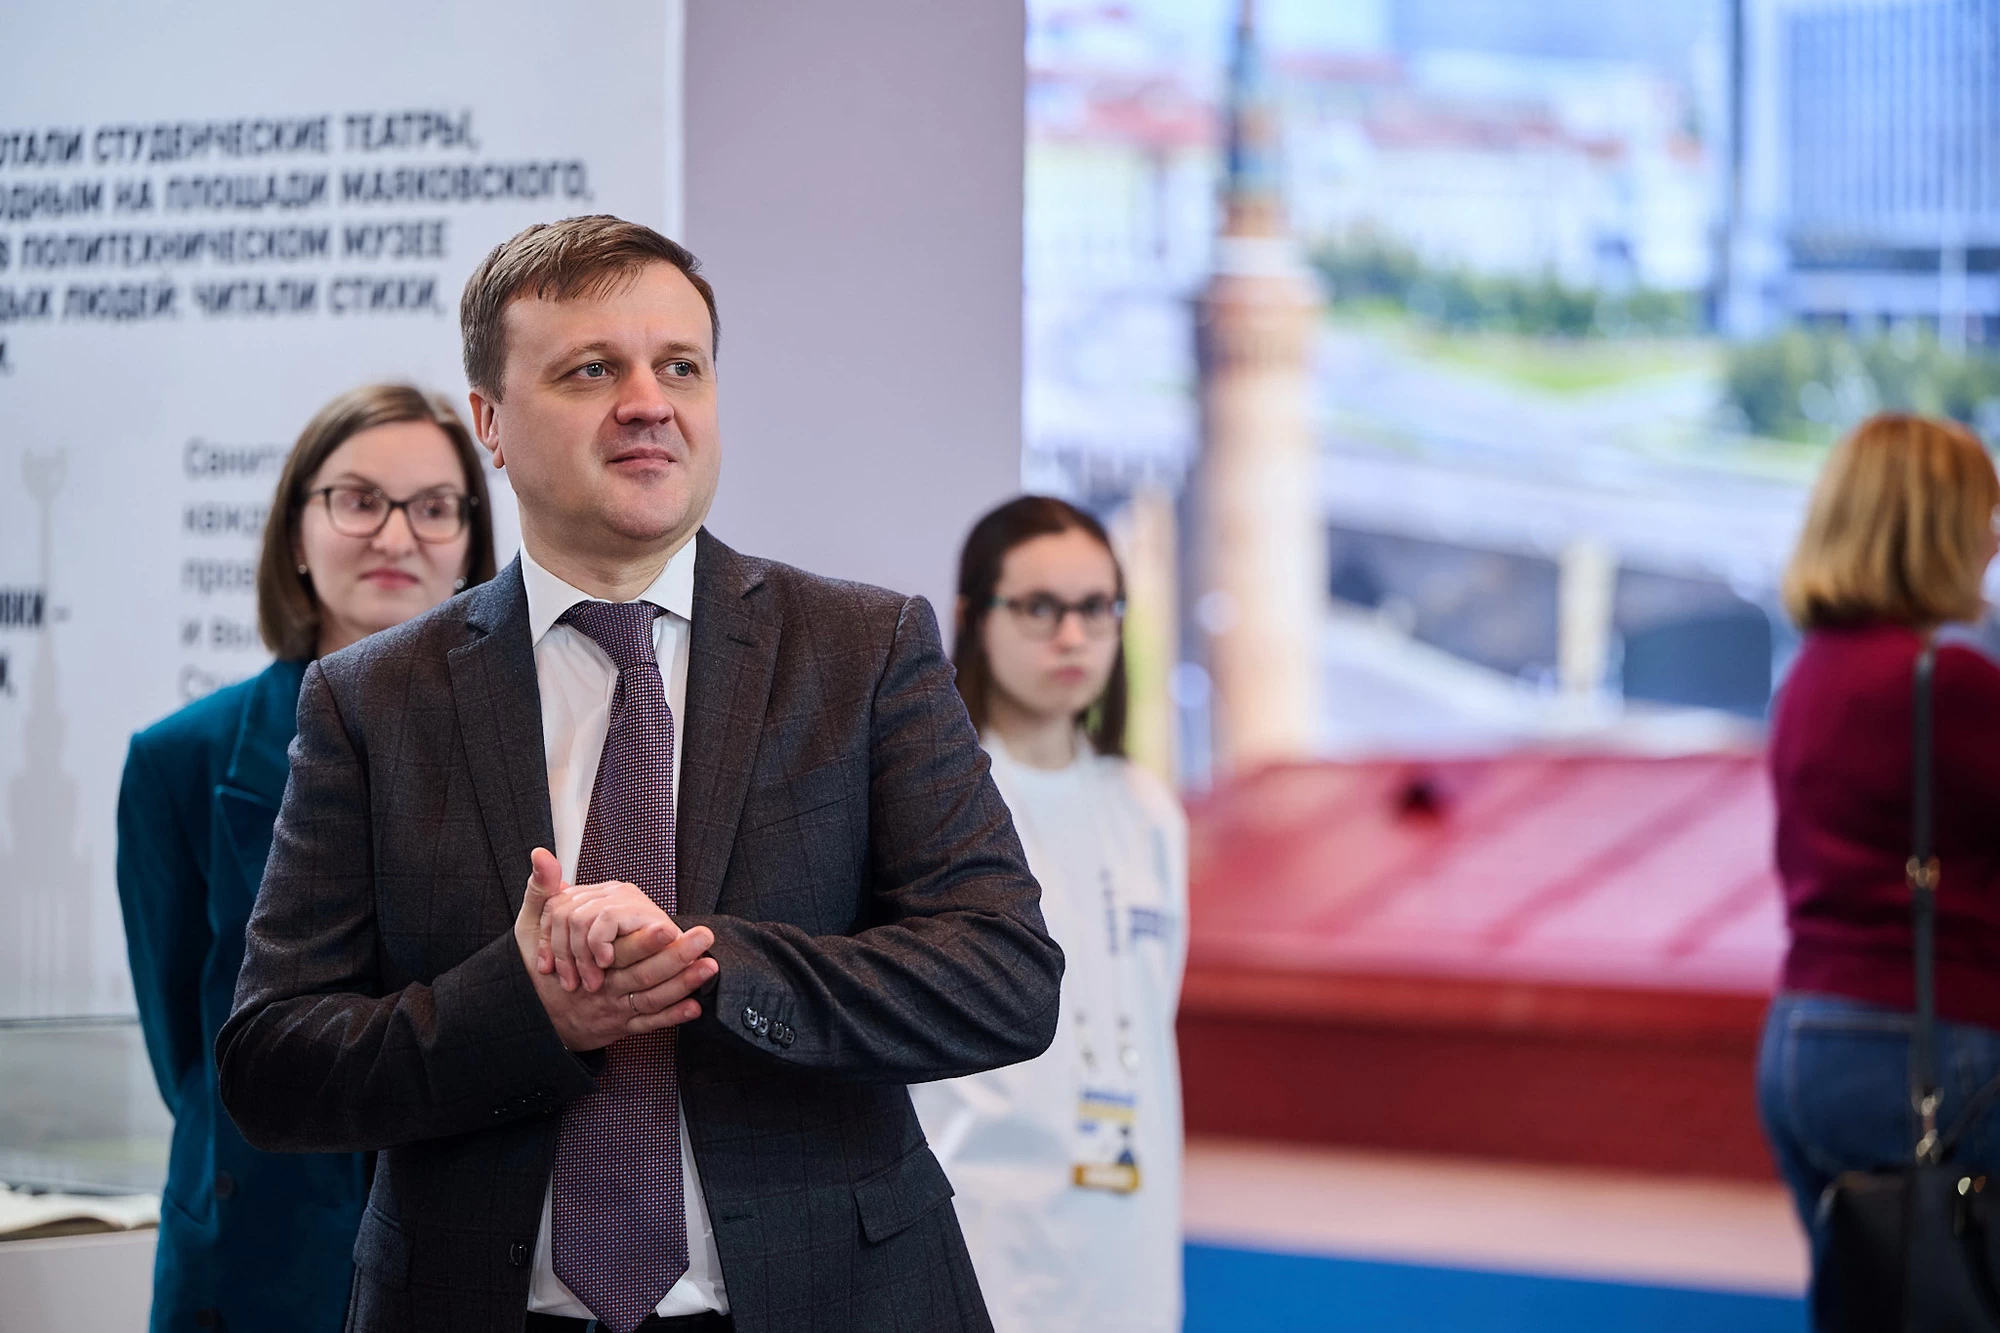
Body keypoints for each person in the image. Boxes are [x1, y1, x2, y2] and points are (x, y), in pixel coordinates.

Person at [216, 215, 1064, 1333]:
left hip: (832, 1301)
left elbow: (1005, 977)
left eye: (680, 367)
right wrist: (523, 1008)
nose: (647, 402)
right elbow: (272, 1064)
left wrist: (705, 966)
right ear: (490, 422)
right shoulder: (371, 698)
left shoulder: (862, 650)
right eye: (590, 370)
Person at [116, 384, 498, 1333]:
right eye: (359, 500)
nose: (396, 535)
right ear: (296, 531)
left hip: (464, 1246)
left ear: (469, 547)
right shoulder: (179, 760)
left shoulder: (525, 751)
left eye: (434, 507)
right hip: (256, 1251)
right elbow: (187, 1048)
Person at [912, 496, 1189, 1333]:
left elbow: (1155, 1016)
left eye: (1096, 607)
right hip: (978, 1234)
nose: (1073, 636)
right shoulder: (934, 799)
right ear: (973, 618)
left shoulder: (1147, 810)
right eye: (1040, 607)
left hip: (1130, 1244)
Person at [1758, 412, 2000, 1255]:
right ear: (1936, 529)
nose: (1994, 541)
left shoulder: (1809, 677)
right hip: (1932, 1043)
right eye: (1984, 515)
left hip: (1803, 1043)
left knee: (1878, 1302)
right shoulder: (1948, 683)